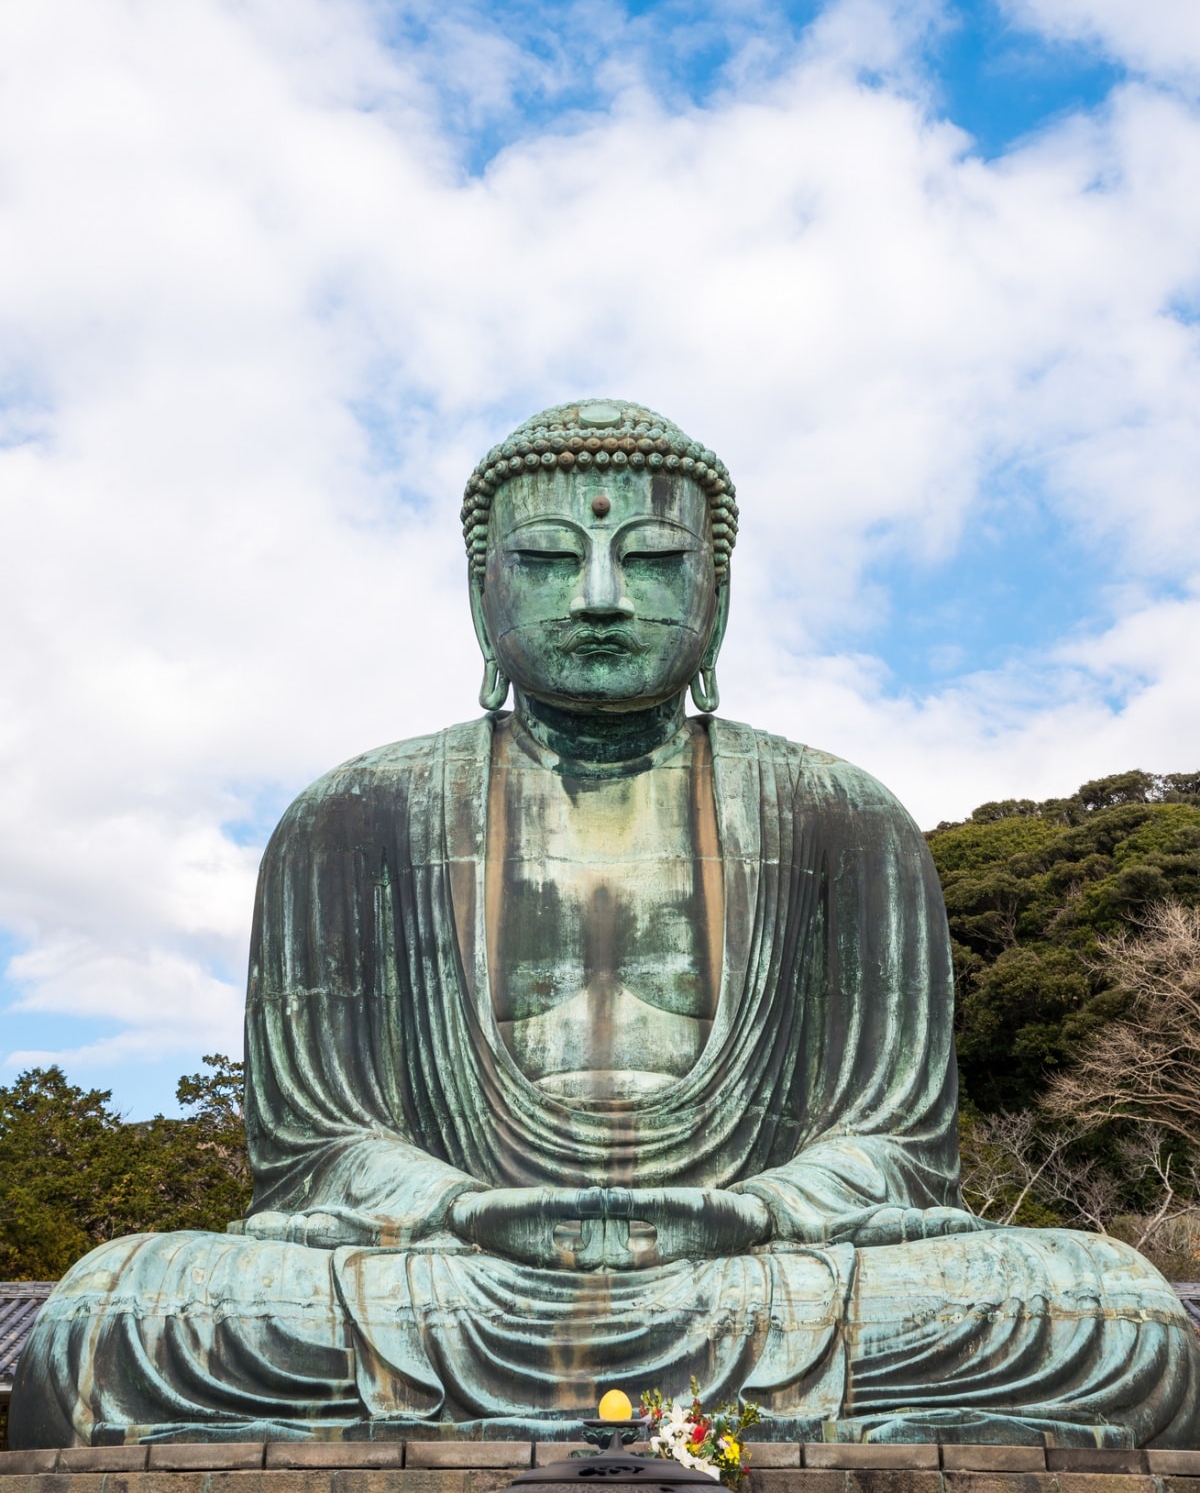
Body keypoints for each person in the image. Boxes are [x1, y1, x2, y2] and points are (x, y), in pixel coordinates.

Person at [12, 400, 1199, 1448]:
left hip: (763, 1269)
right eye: (543, 558)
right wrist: (458, 1207)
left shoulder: (844, 818)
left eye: (649, 558)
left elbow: (891, 1140)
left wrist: (764, 1208)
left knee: (1112, 1312)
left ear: (715, 593)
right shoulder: (354, 818)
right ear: (482, 591)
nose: (596, 597)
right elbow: (318, 1142)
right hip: (449, 1272)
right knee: (118, 1312)